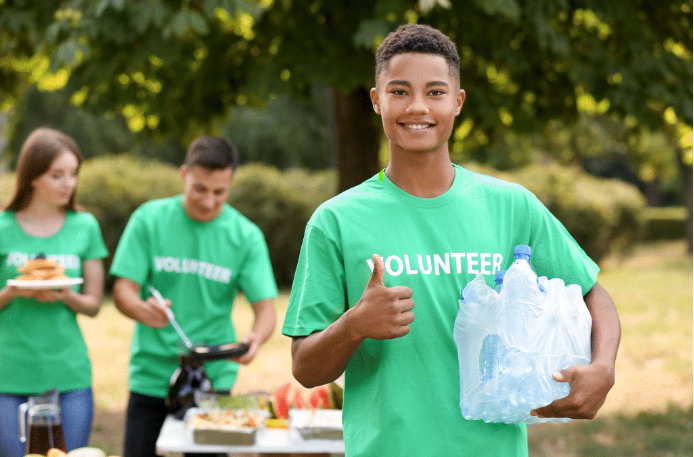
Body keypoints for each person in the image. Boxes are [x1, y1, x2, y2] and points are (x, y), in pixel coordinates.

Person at [282, 24, 621, 457]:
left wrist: (603, 368)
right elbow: (306, 369)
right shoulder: (336, 221)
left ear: (457, 102)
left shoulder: (512, 206)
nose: (418, 106)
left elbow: (594, 294)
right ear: (376, 100)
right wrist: (354, 326)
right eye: (400, 91)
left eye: (436, 92)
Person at [110, 135, 278, 457]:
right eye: (200, 189)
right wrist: (143, 309)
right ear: (184, 174)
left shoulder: (246, 236)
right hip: (151, 376)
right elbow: (122, 290)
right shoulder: (149, 219)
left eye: (220, 192)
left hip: (213, 379)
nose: (209, 201)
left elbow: (266, 310)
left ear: (231, 183)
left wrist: (256, 338)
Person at [0, 128, 108, 457]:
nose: (68, 184)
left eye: (73, 174)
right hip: (8, 376)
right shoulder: (2, 227)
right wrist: (14, 292)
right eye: (57, 175)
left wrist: (65, 296)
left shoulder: (85, 226)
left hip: (69, 376)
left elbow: (93, 304)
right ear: (32, 177)